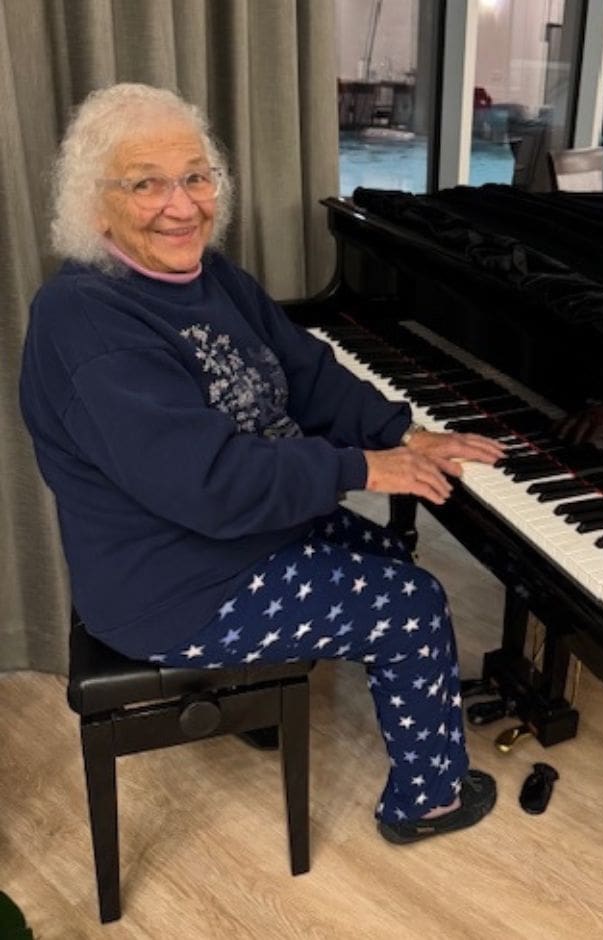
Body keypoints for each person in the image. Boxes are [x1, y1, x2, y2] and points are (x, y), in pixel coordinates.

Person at [19, 83, 505, 845]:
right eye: (145, 182)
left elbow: (304, 368)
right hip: (171, 584)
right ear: (95, 203)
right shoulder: (86, 319)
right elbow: (207, 484)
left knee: (385, 551)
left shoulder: (206, 278)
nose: (182, 206)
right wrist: (359, 468)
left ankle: (263, 692)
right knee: (409, 604)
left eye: (196, 176)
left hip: (235, 540)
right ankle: (427, 800)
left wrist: (399, 434)